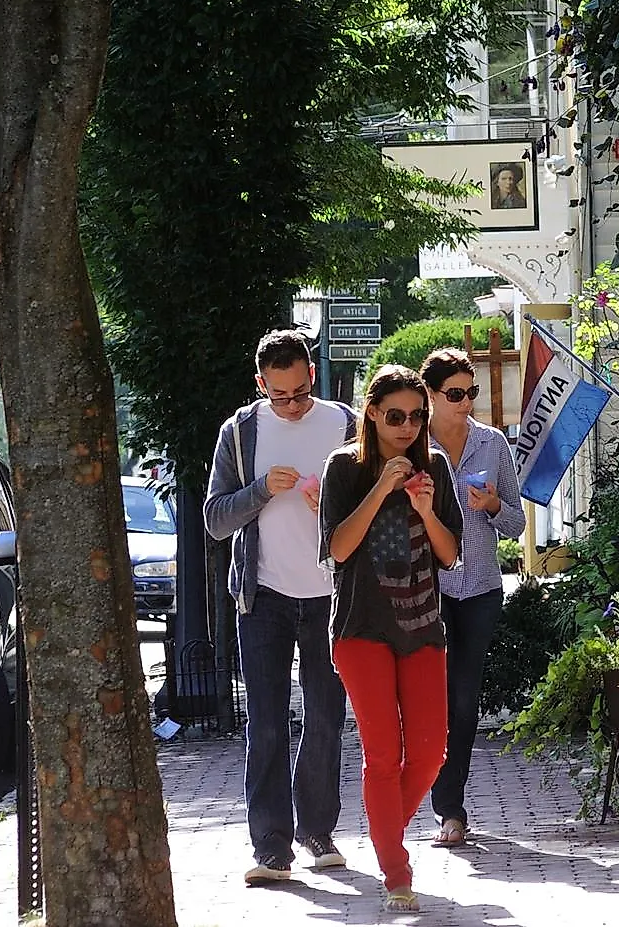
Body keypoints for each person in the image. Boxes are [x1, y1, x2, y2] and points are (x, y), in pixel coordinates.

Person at [203, 330, 354, 885]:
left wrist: (330, 505)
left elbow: (371, 508)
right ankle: (270, 846)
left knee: (325, 718)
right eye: (278, 395)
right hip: (262, 594)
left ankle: (318, 831)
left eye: (299, 392)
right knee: (265, 724)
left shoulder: (344, 425)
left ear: (312, 374)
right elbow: (215, 519)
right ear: (260, 383)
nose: (290, 405)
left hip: (331, 595)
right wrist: (262, 488)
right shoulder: (240, 432)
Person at [322, 364, 464, 912]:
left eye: (417, 416)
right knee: (383, 755)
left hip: (423, 626)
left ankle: (384, 831)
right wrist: (382, 486)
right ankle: (396, 873)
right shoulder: (344, 468)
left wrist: (425, 509)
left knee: (429, 754)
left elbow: (449, 555)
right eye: (396, 416)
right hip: (361, 627)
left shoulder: (435, 467)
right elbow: (338, 550)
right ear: (373, 414)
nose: (408, 427)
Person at [419, 346, 518, 847]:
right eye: (455, 394)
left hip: (479, 588)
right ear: (431, 395)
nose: (466, 402)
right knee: (430, 699)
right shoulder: (414, 446)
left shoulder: (492, 444)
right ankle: (427, 794)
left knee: (463, 700)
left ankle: (449, 809)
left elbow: (517, 524)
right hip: (427, 590)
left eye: (471, 392)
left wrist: (494, 505)